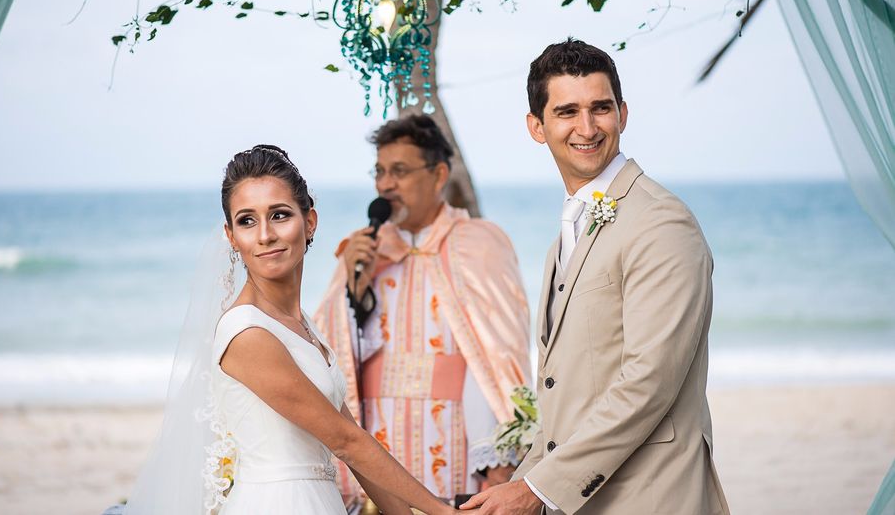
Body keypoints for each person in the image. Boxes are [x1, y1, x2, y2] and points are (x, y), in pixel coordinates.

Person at [462, 39, 730, 514]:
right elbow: (564, 395)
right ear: (537, 127)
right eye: (567, 112)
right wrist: (520, 486)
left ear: (622, 114)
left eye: (600, 108)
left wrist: (536, 490)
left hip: (652, 497)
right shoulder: (566, 235)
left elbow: (648, 382)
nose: (587, 128)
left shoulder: (661, 222)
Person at [123, 145, 461, 515]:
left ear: (310, 221)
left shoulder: (300, 325)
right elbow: (345, 442)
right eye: (247, 221)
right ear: (231, 236)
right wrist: (442, 511)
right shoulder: (247, 332)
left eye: (280, 215)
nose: (265, 235)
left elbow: (354, 442)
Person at [314, 115, 532, 503]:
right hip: (378, 440)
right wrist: (352, 293)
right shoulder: (361, 250)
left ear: (439, 174)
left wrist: (498, 458)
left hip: (457, 443)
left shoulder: (479, 244)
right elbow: (327, 353)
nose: (385, 184)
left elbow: (498, 356)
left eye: (399, 171)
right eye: (379, 171)